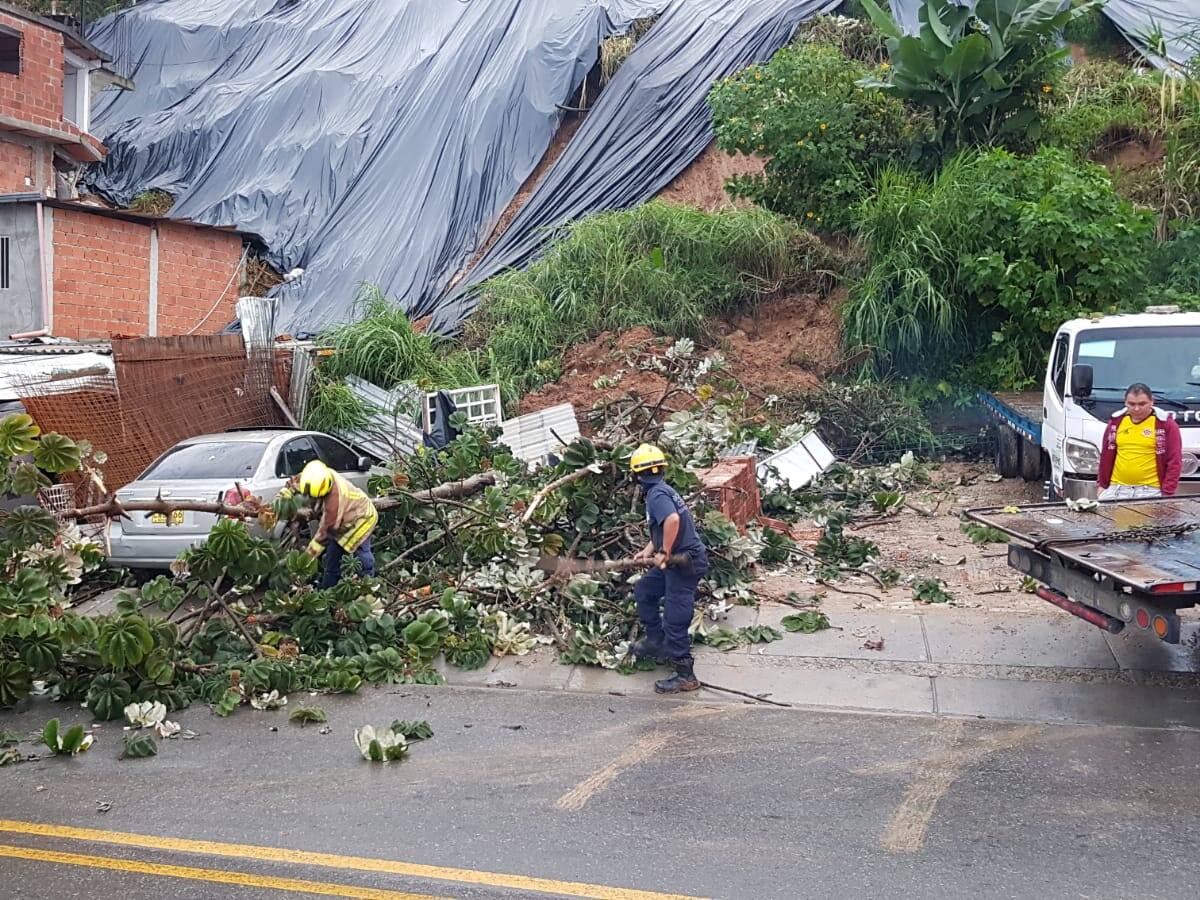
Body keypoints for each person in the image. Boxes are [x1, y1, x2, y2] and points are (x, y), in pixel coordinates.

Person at [628, 443, 709, 694]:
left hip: (686, 564)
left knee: (675, 617)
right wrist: (650, 550)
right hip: (674, 561)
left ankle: (686, 675)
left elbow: (673, 520)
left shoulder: (656, 495)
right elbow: (664, 525)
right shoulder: (662, 489)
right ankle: (656, 642)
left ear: (636, 474)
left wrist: (664, 552)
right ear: (660, 469)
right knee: (644, 591)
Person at [286, 459, 379, 587]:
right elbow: (292, 483)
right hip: (340, 521)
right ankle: (329, 584)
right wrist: (282, 499)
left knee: (361, 551)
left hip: (361, 517)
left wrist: (308, 557)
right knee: (333, 554)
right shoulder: (313, 475)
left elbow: (324, 534)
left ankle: (369, 579)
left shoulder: (335, 501)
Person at [1096, 383, 1182, 500]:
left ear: (1152, 402)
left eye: (1142, 404)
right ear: (1125, 402)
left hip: (1151, 491)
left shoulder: (1165, 424)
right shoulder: (1116, 423)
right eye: (1132, 404)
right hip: (1116, 489)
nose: (1136, 408)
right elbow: (1106, 455)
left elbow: (1174, 461)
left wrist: (1167, 493)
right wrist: (1101, 485)